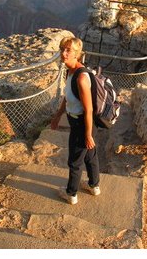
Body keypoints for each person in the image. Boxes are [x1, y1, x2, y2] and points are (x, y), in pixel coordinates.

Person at [51, 37, 100, 205]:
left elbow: (89, 110)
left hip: (83, 124)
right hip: (78, 122)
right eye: (62, 49)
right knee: (90, 155)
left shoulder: (81, 77)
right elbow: (68, 97)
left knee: (75, 161)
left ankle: (71, 194)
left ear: (77, 54)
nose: (63, 53)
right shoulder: (69, 71)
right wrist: (58, 116)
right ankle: (94, 186)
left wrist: (87, 134)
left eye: (68, 50)